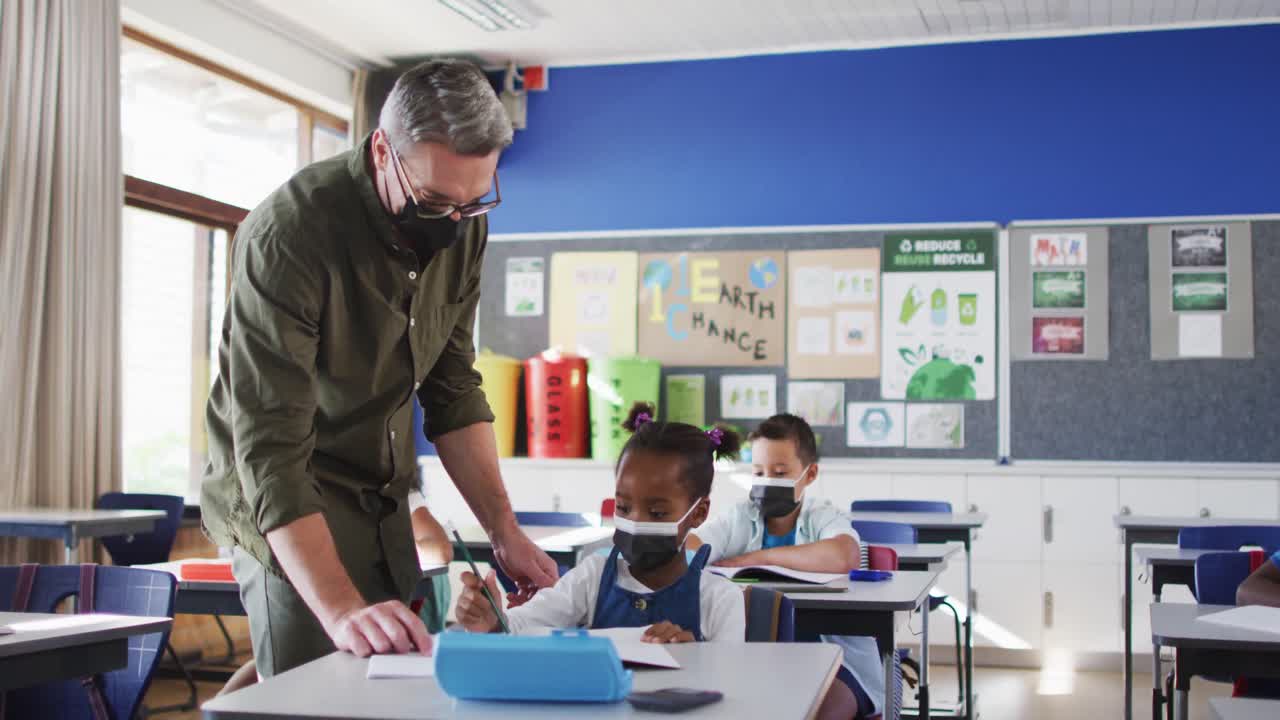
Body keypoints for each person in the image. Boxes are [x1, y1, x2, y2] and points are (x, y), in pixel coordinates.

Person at [200, 59, 559, 678]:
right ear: (381, 151)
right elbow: (271, 448)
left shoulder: (463, 226)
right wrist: (341, 611)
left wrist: (504, 531)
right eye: (434, 201)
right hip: (290, 499)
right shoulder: (289, 236)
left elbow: (453, 389)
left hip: (382, 495)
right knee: (311, 690)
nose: (454, 222)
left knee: (399, 682)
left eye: (474, 202)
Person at [456, 403, 746, 643]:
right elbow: (518, 625)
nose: (634, 522)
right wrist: (491, 620)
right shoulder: (591, 578)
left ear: (698, 513)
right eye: (623, 508)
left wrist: (697, 657)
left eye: (657, 513)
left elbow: (730, 685)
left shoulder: (720, 600)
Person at [688, 414, 878, 720]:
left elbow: (845, 555)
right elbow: (695, 545)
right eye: (758, 472)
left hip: (835, 660)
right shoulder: (740, 517)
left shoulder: (822, 516)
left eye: (779, 472)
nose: (767, 480)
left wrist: (755, 559)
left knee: (818, 710)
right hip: (758, 654)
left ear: (810, 474)